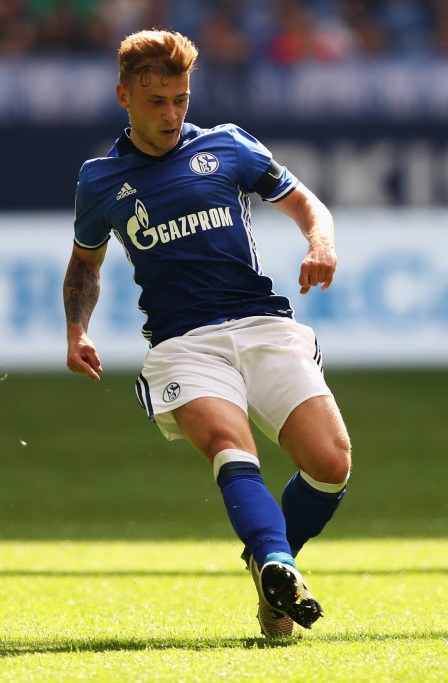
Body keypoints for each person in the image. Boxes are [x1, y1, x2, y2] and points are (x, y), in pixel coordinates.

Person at [62, 28, 352, 640]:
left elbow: (307, 204)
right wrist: (77, 329)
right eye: (156, 101)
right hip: (182, 343)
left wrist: (320, 242)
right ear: (124, 97)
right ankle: (275, 562)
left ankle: (272, 563)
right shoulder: (100, 180)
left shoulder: (228, 147)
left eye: (180, 99)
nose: (171, 114)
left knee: (330, 464)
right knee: (230, 443)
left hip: (263, 323)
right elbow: (85, 263)